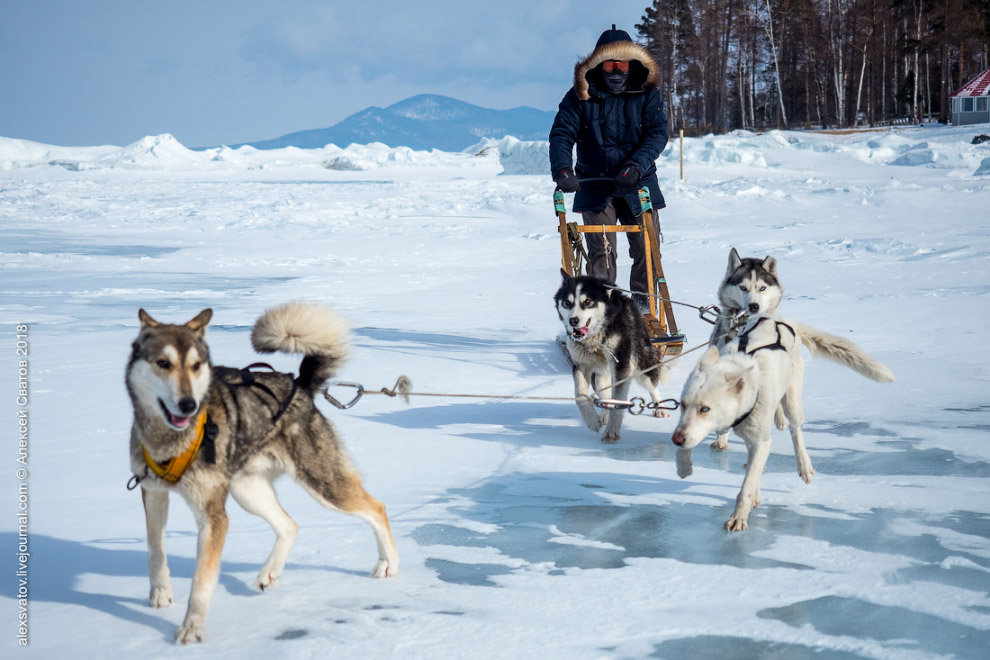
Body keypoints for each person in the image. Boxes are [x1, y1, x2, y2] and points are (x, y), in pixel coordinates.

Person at [549, 25, 669, 311]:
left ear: (633, 65)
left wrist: (636, 165)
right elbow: (562, 134)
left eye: (622, 64)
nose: (616, 71)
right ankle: (605, 312)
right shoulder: (580, 95)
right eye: (610, 64)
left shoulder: (647, 93)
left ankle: (643, 308)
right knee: (602, 252)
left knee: (647, 250)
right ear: (598, 64)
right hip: (595, 185)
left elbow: (657, 133)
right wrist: (563, 170)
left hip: (638, 184)